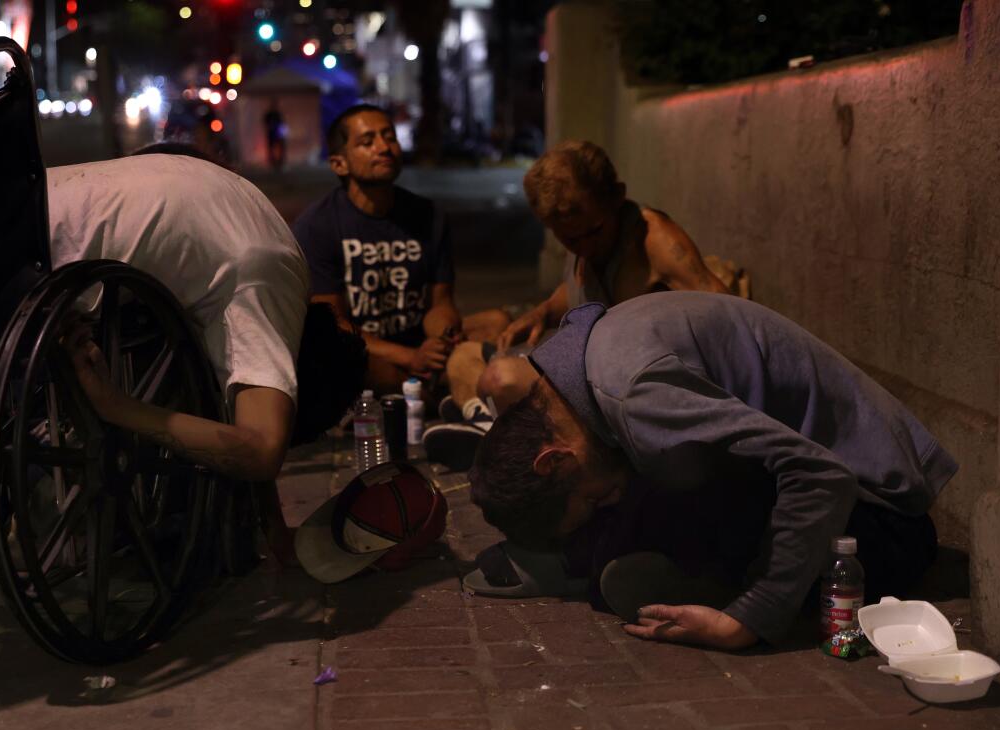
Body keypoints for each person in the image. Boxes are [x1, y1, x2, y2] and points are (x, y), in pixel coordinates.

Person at [468, 294, 957, 650]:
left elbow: (821, 476)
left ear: (553, 457)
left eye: (590, 499)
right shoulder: (583, 370)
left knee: (644, 499)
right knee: (641, 487)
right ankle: (588, 554)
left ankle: (612, 563)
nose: (603, 498)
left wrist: (748, 620)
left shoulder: (635, 396)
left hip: (884, 524)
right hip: (838, 491)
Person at [49, 149, 366, 562]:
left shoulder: (273, 239)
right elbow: (261, 450)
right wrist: (114, 406)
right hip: (37, 256)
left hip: (35, 200)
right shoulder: (272, 286)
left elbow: (247, 399)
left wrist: (273, 526)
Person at [425, 139, 746, 469]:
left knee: (500, 379)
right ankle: (488, 424)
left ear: (617, 196)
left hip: (620, 396)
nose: (585, 246)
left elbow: (733, 319)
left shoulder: (654, 239)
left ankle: (496, 428)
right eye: (570, 240)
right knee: (463, 355)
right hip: (575, 376)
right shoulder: (584, 240)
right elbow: (579, 287)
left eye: (593, 231)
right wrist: (544, 311)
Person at [291, 103, 509, 397]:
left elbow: (440, 303)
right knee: (341, 358)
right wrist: (409, 357)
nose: (384, 147)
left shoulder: (429, 215)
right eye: (367, 142)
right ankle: (444, 386)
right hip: (368, 349)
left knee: (497, 323)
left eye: (389, 137)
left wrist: (443, 336)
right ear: (339, 163)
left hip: (419, 341)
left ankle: (431, 386)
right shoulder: (318, 225)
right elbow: (335, 325)